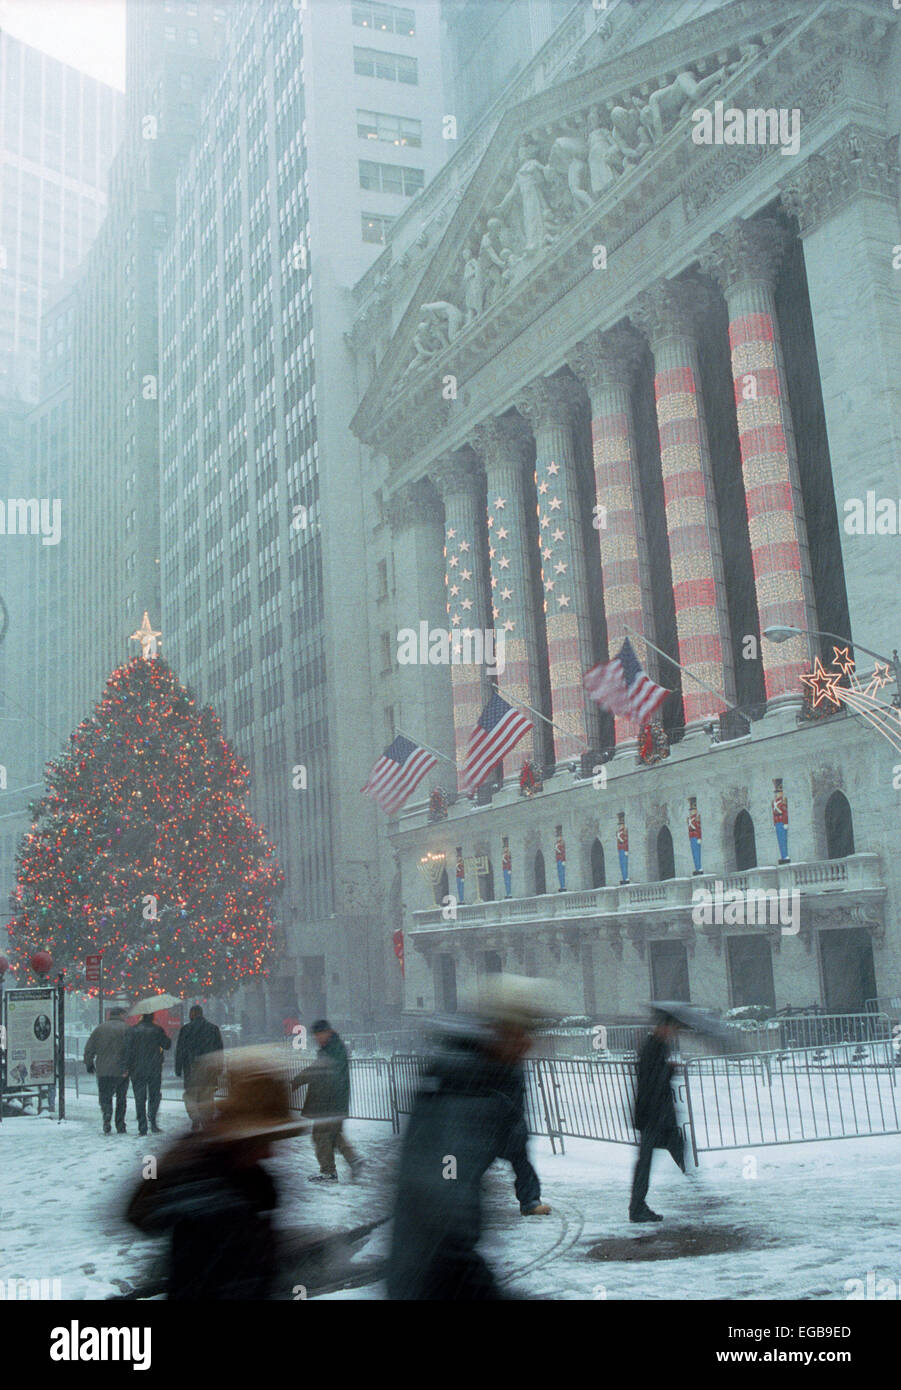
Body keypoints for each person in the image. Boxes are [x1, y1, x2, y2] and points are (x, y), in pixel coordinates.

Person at [386, 976, 556, 1300]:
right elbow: (443, 1219)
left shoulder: (477, 1077)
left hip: (427, 1275)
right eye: (521, 1031)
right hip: (428, 1281)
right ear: (497, 1030)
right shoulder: (465, 1089)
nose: (528, 1043)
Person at [125, 1046, 304, 1299]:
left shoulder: (260, 1184)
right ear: (242, 1134)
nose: (270, 1153)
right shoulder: (198, 1172)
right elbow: (139, 1213)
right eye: (263, 1140)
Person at [629, 1012, 686, 1222]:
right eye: (672, 1029)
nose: (673, 1034)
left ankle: (637, 1207)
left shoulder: (657, 1046)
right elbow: (651, 1079)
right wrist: (669, 1070)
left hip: (656, 1114)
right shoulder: (653, 1047)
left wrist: (667, 1069)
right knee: (645, 1163)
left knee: (678, 1151)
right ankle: (636, 1208)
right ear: (663, 1027)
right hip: (654, 1115)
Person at [291, 1019, 362, 1182]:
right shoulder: (331, 1048)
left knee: (321, 1135)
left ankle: (329, 1172)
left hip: (328, 1102)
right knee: (332, 1134)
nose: (317, 1038)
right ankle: (353, 1160)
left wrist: (298, 1080)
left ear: (327, 1032)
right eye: (315, 1036)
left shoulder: (333, 1049)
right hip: (330, 1101)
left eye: (319, 1034)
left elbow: (318, 1070)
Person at [174, 1005, 224, 1131]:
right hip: (209, 1069)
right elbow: (219, 1050)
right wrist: (219, 1067)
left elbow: (180, 1050)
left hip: (191, 1070)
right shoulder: (213, 1029)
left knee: (191, 1096)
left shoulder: (185, 1029)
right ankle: (207, 1119)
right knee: (207, 1096)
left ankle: (195, 1118)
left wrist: (178, 1068)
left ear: (192, 1014)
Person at [83, 1007, 131, 1135]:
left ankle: (107, 1114)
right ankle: (120, 1125)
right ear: (120, 1015)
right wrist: (130, 1066)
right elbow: (132, 1050)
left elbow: (89, 1048)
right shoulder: (126, 1029)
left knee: (105, 1096)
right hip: (121, 1070)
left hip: (103, 1070)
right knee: (121, 1098)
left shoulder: (99, 1029)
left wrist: (89, 1063)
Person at [125, 1011, 172, 1136]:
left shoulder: (133, 1030)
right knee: (154, 1096)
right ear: (152, 1017)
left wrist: (127, 1067)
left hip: (137, 1069)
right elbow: (167, 1045)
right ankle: (153, 1122)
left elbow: (128, 1050)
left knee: (139, 1098)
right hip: (154, 1068)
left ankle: (142, 1126)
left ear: (141, 1017)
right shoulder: (157, 1030)